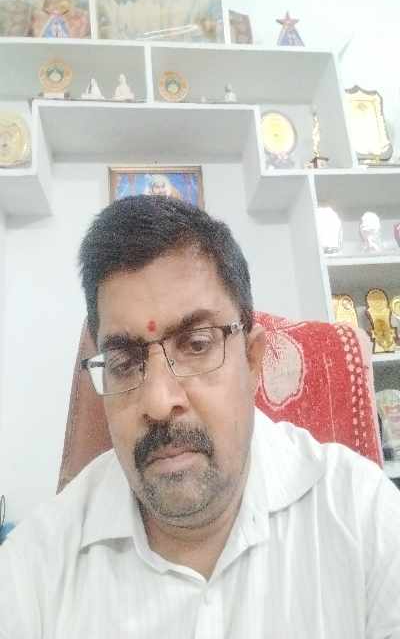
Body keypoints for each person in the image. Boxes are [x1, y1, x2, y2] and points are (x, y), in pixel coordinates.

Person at [1, 194, 400, 638]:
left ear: (252, 360)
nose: (158, 402)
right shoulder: (35, 569)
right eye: (124, 362)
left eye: (196, 344)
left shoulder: (363, 518)